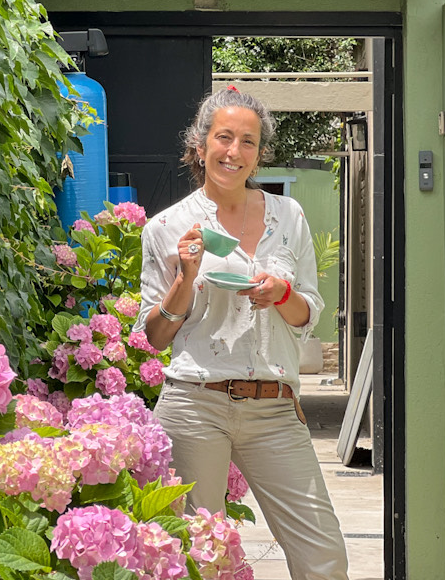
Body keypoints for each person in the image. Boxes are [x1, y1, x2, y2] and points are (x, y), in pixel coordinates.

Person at [137, 87, 349, 580]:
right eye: (224, 137)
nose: (234, 152)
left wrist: (280, 293)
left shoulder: (288, 216)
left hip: (275, 406)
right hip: (194, 404)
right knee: (195, 557)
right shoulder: (167, 227)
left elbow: (306, 314)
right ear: (200, 143)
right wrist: (185, 278)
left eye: (248, 141)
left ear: (259, 151)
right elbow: (156, 336)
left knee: (323, 554)